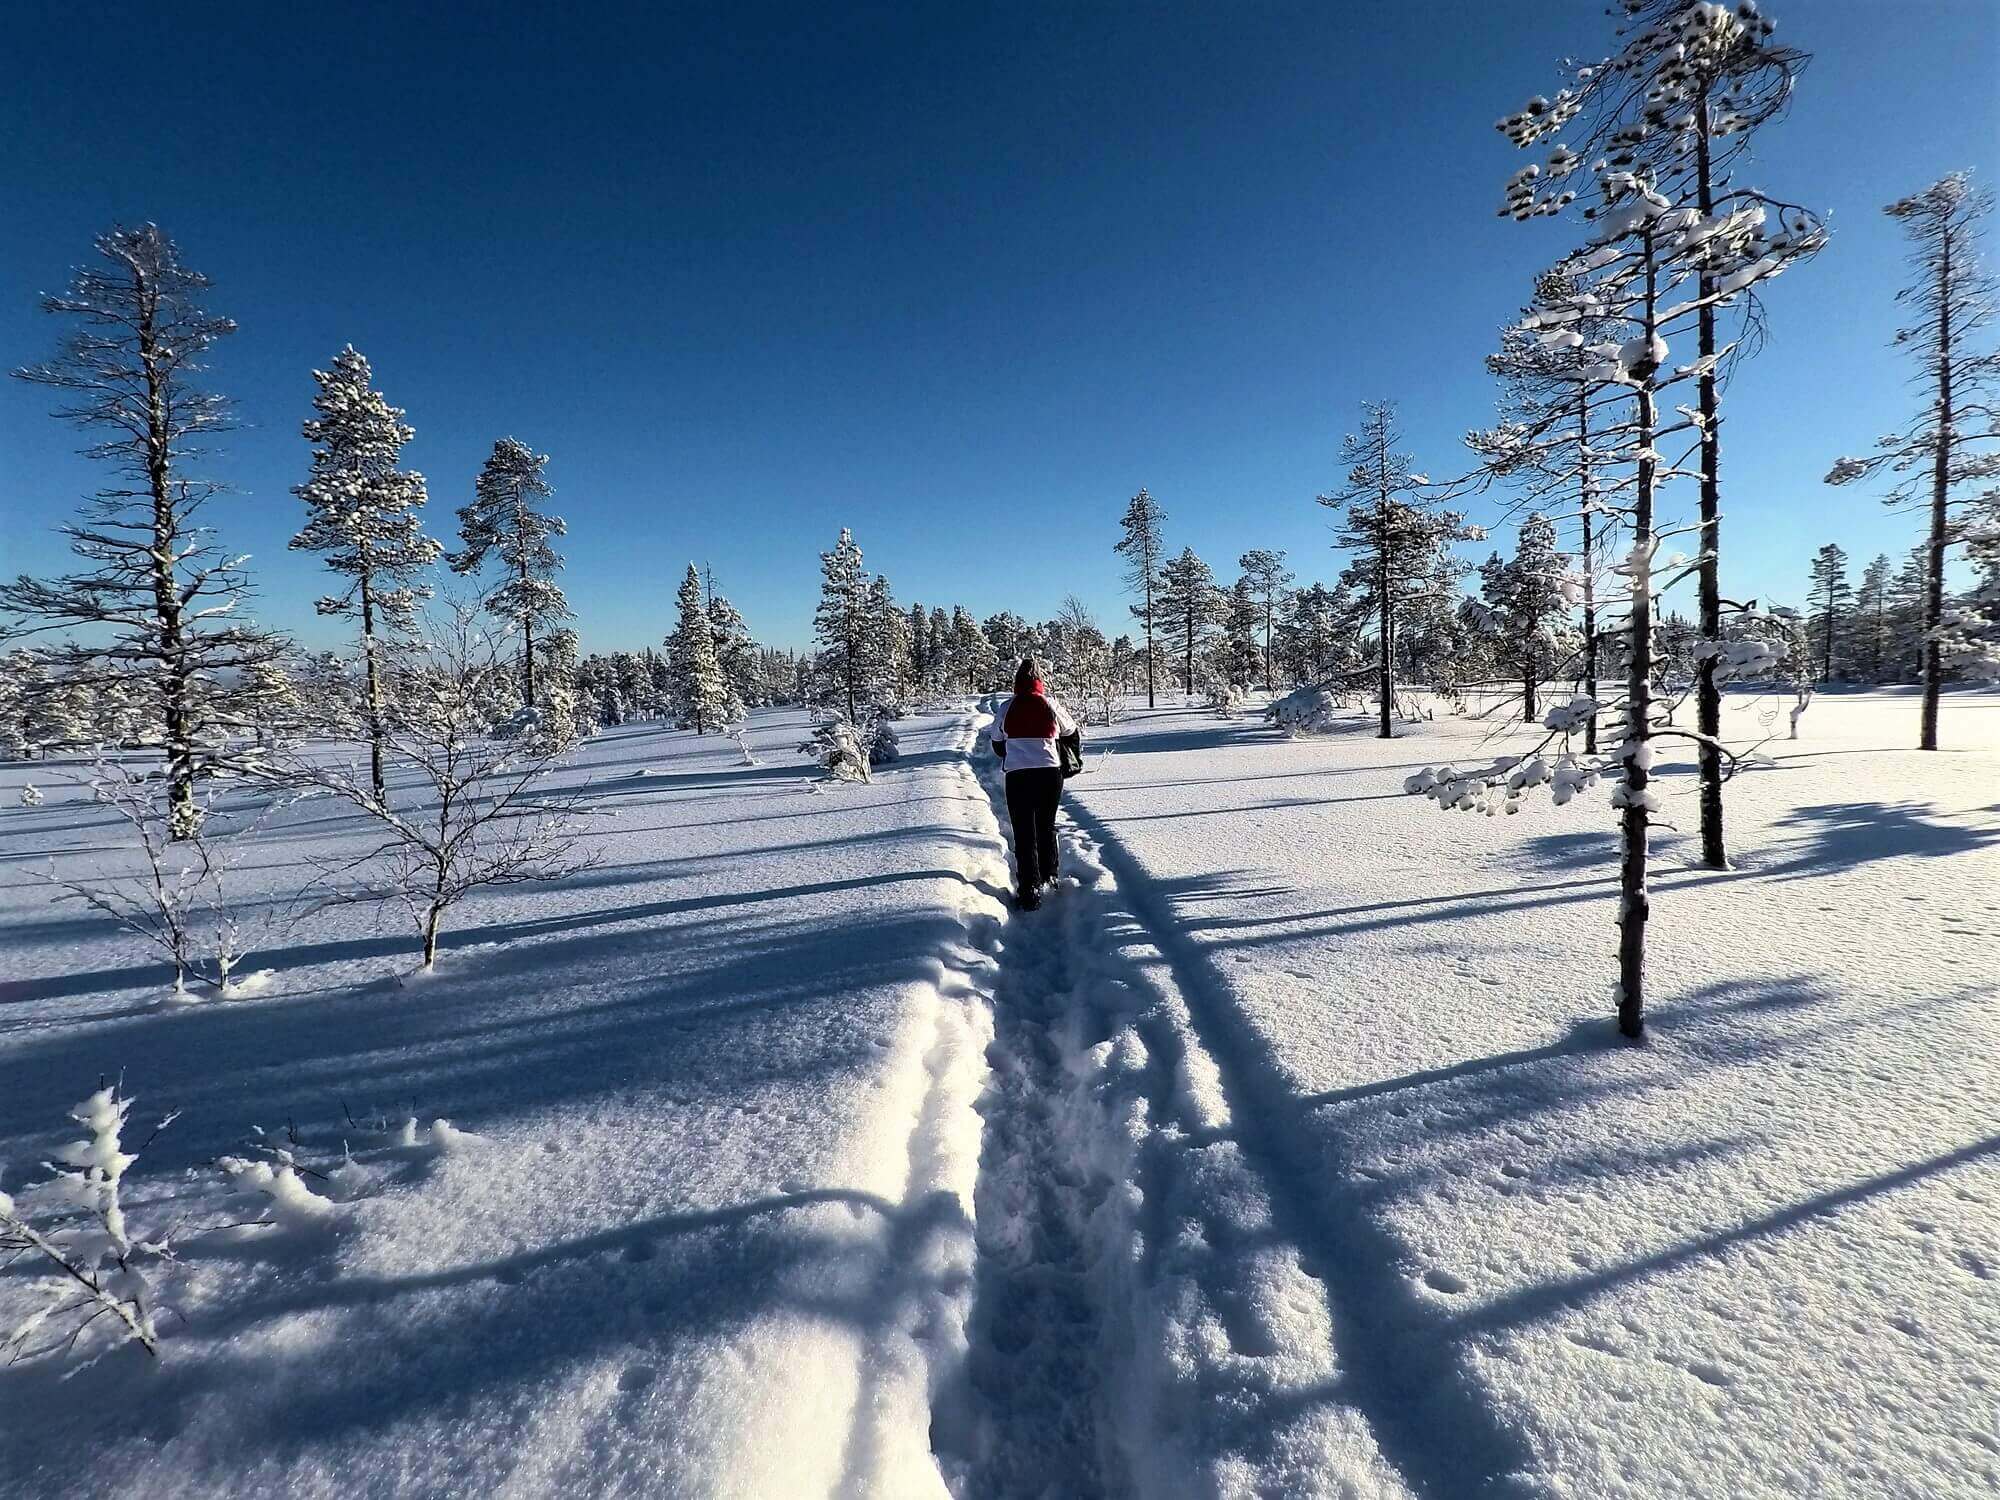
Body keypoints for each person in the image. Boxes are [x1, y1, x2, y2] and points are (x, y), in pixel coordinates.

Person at [990, 657, 1080, 910]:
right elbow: (1071, 731)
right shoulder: (1050, 704)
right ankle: (1049, 875)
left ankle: (1029, 889)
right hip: (1049, 774)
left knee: (1023, 831)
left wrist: (1015, 752)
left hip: (1018, 775)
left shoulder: (1007, 707)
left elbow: (997, 743)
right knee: (1046, 825)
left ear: (1017, 682)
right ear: (1040, 681)